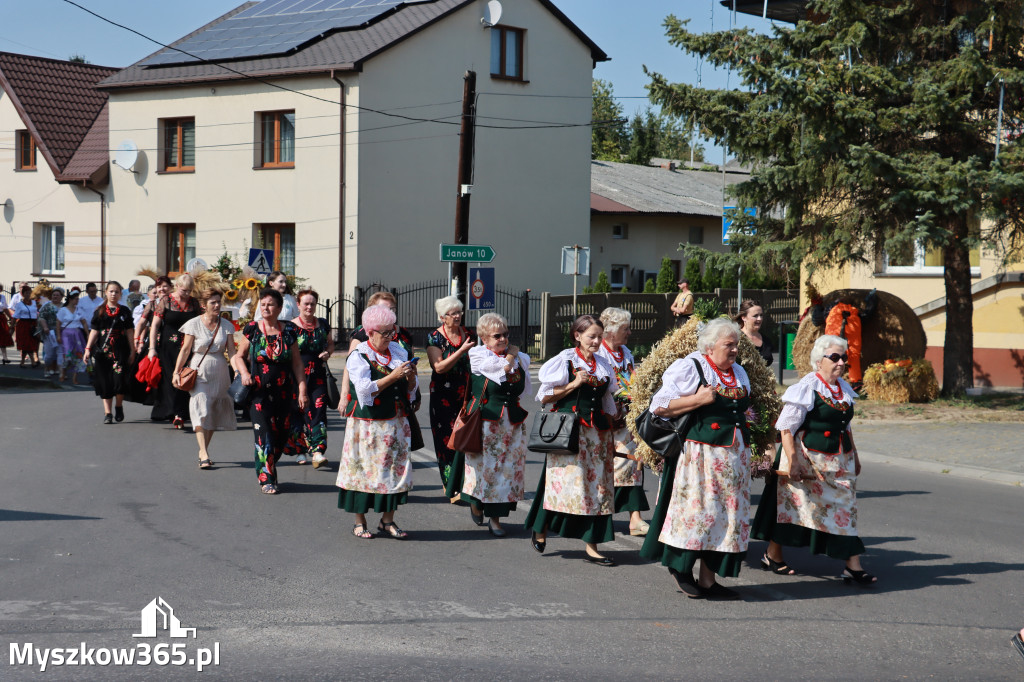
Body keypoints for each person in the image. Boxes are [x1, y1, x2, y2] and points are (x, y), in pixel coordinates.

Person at [640, 318, 753, 600]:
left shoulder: (738, 372)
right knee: (698, 515)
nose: (735, 350)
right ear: (710, 346)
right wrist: (698, 400)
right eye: (729, 344)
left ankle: (708, 580)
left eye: (736, 344)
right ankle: (681, 568)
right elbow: (660, 406)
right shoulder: (692, 367)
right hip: (700, 456)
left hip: (733, 459)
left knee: (725, 517)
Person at [751, 334, 877, 585]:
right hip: (808, 460)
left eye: (844, 357)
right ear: (819, 361)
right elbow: (786, 428)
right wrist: (793, 461)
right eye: (835, 357)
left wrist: (856, 456)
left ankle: (852, 565)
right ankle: (772, 554)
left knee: (846, 510)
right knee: (795, 510)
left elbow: (846, 426)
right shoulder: (807, 387)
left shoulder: (843, 389)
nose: (841, 362)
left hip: (839, 462)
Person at [525, 314, 620, 567]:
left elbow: (607, 399)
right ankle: (541, 527)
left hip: (597, 434)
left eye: (600, 336)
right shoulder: (565, 360)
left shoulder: (603, 363)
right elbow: (545, 397)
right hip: (570, 433)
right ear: (577, 336)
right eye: (592, 337)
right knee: (560, 485)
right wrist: (574, 383)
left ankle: (592, 545)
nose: (597, 341)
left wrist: (617, 415)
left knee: (599, 488)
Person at [335, 304, 418, 539]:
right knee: (362, 470)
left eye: (393, 331)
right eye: (386, 333)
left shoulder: (399, 351)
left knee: (394, 470)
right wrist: (393, 377)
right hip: (368, 424)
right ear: (370, 332)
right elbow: (363, 392)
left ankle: (387, 520)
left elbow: (410, 391)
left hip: (396, 422)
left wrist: (411, 379)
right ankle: (359, 521)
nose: (391, 337)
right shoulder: (359, 354)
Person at [444, 313, 529, 537]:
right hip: (485, 424)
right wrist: (511, 356)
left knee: (507, 472)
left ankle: (495, 517)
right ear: (484, 337)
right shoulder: (479, 356)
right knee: (487, 472)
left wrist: (513, 357)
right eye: (497, 335)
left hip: (512, 424)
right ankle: (477, 503)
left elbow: (522, 387)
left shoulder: (519, 359)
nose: (503, 339)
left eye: (506, 335)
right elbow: (502, 371)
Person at [232, 287, 308, 494]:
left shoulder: (290, 331)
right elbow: (239, 356)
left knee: (281, 436)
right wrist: (244, 373)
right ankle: (266, 477)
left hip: (285, 394)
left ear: (279, 308)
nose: (265, 307)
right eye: (262, 304)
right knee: (263, 434)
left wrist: (302, 390)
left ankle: (270, 465)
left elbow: (297, 364)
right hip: (259, 394)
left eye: (270, 304)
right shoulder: (252, 329)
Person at [597, 307, 650, 536]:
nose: (629, 332)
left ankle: (635, 519)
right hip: (607, 419)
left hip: (627, 419)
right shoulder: (599, 353)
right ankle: (602, 518)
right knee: (609, 469)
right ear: (609, 332)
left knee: (633, 465)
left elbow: (631, 379)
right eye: (625, 328)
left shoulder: (625, 351)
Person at [172, 286, 237, 469]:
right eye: (213, 302)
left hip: (221, 372)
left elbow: (232, 352)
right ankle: (203, 452)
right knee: (201, 409)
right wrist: (177, 371)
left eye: (219, 302)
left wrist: (238, 370)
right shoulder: (194, 324)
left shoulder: (227, 326)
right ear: (203, 305)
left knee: (212, 413)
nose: (217, 305)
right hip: (199, 371)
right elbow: (185, 350)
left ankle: (204, 451)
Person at [426, 294, 475, 496]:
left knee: (465, 437)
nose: (457, 316)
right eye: (452, 313)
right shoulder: (434, 337)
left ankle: (465, 482)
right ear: (442, 317)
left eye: (459, 312)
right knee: (446, 439)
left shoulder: (469, 333)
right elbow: (438, 367)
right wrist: (461, 351)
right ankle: (450, 484)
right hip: (443, 395)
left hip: (466, 393)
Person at [149, 273, 200, 427]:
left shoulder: (194, 303)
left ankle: (181, 412)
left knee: (186, 377)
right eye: (184, 290)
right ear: (177, 286)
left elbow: (200, 323)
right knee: (170, 378)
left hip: (188, 346)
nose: (186, 294)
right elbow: (155, 325)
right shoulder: (166, 301)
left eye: (189, 291)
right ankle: (173, 412)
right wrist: (152, 347)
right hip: (167, 346)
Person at [292, 287, 334, 469]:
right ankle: (300, 449)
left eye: (312, 304)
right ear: (298, 305)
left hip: (317, 376)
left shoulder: (323, 324)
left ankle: (317, 451)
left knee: (318, 412)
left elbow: (331, 345)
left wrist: (327, 353)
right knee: (298, 413)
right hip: (296, 377)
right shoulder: (290, 327)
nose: (309, 307)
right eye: (306, 304)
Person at [82, 282, 136, 424]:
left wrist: (132, 350)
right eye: (111, 291)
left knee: (119, 382)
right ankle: (108, 413)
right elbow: (94, 331)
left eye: (117, 291)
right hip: (102, 352)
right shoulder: (99, 311)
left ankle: (118, 406)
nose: (114, 294)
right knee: (105, 383)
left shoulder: (124, 311)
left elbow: (130, 332)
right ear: (106, 292)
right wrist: (87, 349)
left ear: (120, 294)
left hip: (120, 351)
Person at [57, 288, 88, 384]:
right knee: (67, 355)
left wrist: (87, 334)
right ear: (70, 299)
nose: (77, 300)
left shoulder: (79, 310)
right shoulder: (63, 310)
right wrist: (58, 336)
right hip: (66, 334)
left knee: (78, 355)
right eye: (75, 299)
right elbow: (58, 324)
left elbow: (84, 322)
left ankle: (75, 377)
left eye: (78, 299)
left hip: (77, 334)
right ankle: (63, 372)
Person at [735, 299, 774, 366]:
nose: (760, 319)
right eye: (755, 316)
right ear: (743, 317)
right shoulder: (737, 338)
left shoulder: (766, 340)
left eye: (761, 315)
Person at [37, 287, 64, 377]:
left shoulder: (64, 307)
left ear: (61, 297)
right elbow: (41, 317)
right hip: (50, 333)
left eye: (57, 295)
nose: (55, 296)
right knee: (49, 355)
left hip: (62, 333)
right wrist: (45, 327)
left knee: (60, 353)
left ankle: (61, 372)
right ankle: (47, 368)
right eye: (54, 295)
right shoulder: (47, 306)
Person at [12, 284, 39, 368]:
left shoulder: (34, 303)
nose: (28, 294)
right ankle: (32, 361)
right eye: (26, 293)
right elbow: (15, 316)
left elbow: (37, 313)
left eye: (29, 293)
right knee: (25, 343)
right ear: (23, 294)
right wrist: (11, 327)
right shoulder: (20, 304)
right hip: (23, 325)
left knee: (31, 343)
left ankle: (22, 362)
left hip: (33, 324)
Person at [0, 285, 13, 363]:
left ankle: (5, 357)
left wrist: (11, 318)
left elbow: (5, 308)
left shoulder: (3, 297)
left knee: (3, 338)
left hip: (1, 318)